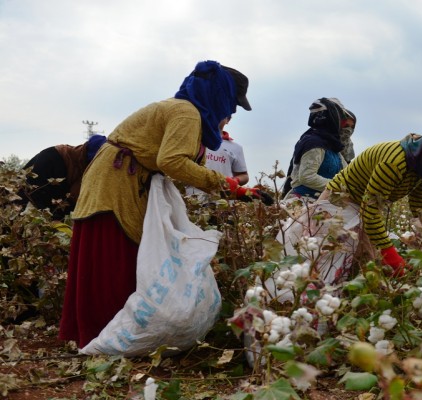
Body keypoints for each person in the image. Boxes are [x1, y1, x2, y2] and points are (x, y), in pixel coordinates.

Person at [59, 60, 268, 348]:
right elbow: (171, 161)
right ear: (218, 94)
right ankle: (104, 337)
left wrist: (240, 193)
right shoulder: (187, 113)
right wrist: (230, 187)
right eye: (232, 102)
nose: (231, 112)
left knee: (124, 255)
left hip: (119, 178)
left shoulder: (184, 111)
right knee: (115, 254)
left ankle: (105, 335)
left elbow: (183, 164)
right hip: (116, 184)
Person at [278, 121, 422, 285]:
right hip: (340, 203)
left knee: (361, 263)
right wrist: (391, 255)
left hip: (362, 206)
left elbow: (419, 204)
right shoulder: (395, 161)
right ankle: (300, 302)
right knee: (326, 261)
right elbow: (371, 209)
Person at [282, 98, 356, 201]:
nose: (344, 126)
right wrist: (339, 187)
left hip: (323, 202)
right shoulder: (313, 142)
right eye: (342, 120)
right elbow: (307, 177)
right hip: (305, 203)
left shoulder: (332, 146)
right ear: (333, 117)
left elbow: (347, 174)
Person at [18, 135, 107, 220]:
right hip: (24, 204)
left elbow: (69, 201)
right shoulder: (54, 157)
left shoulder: (82, 167)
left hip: (47, 208)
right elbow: (35, 191)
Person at [186, 130, 249, 198]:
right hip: (191, 198)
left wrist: (234, 181)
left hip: (223, 200)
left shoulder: (236, 147)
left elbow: (244, 175)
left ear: (228, 120)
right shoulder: (192, 139)